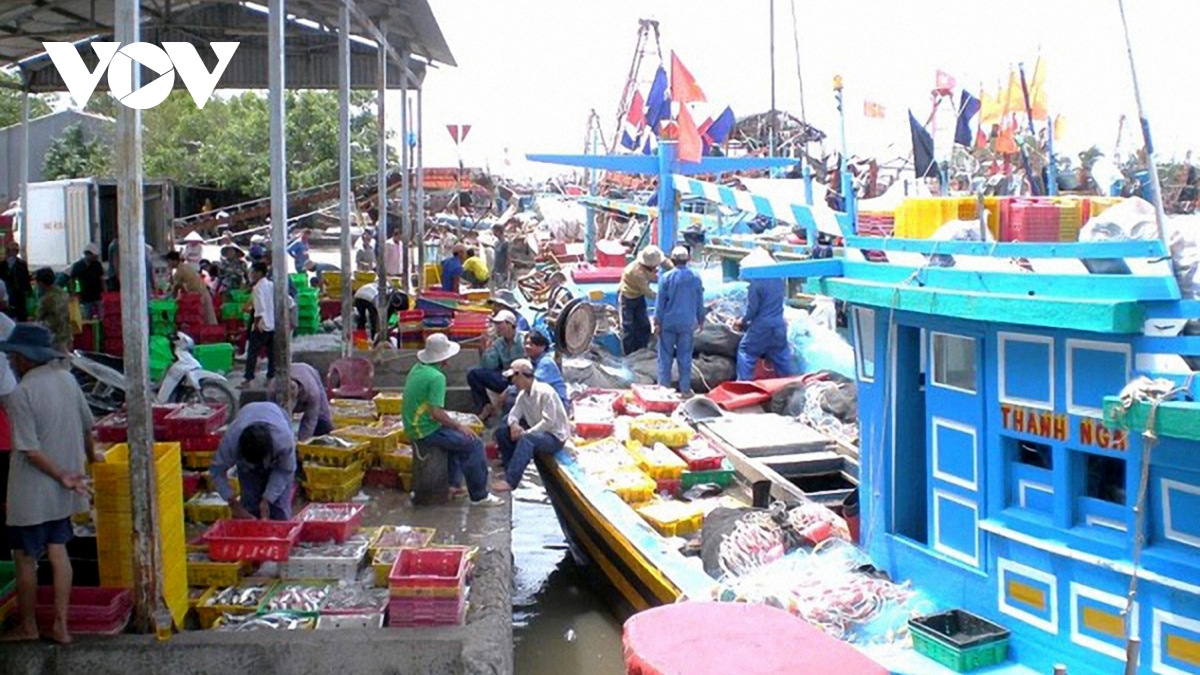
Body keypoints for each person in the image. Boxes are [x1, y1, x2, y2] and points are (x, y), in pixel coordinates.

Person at [1, 324, 97, 644]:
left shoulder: (21, 393)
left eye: (14, 355)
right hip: (63, 490)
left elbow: (29, 449)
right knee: (59, 552)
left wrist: (61, 475)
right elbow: (87, 427)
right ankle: (61, 625)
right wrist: (90, 460)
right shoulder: (67, 380)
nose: (12, 361)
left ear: (26, 358)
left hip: (32, 491)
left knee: (25, 558)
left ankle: (29, 626)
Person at [401, 334, 501, 506]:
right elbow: (436, 412)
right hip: (425, 429)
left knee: (456, 441)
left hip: (414, 424)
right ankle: (480, 495)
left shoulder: (417, 369)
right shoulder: (437, 378)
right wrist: (459, 426)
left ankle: (454, 485)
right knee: (474, 443)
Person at [491, 358, 569, 492]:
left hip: (554, 437)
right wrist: (514, 425)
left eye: (513, 378)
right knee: (502, 432)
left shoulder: (545, 392)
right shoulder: (522, 395)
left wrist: (527, 433)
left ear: (520, 375)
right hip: (538, 434)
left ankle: (511, 481)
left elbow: (548, 421)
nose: (512, 382)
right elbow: (513, 414)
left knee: (527, 439)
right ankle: (510, 469)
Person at [209, 402, 297, 520]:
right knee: (249, 506)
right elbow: (216, 471)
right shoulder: (231, 443)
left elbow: (285, 470)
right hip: (247, 415)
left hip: (275, 414)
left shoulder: (284, 443)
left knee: (279, 509)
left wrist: (267, 499)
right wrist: (233, 503)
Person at [735, 248, 795, 380]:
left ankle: (744, 385)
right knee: (780, 355)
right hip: (779, 325)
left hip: (762, 326)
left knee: (746, 351)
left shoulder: (756, 283)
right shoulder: (779, 280)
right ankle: (792, 383)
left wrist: (742, 321)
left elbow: (752, 309)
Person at [655, 246, 705, 395]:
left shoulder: (666, 278)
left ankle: (663, 388)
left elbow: (660, 303)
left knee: (665, 357)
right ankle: (685, 389)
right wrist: (701, 320)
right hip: (687, 323)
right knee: (685, 357)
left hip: (668, 323)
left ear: (672, 259)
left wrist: (657, 322)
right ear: (688, 259)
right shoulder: (695, 277)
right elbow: (699, 302)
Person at [468, 309, 526, 418]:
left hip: (522, 378)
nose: (498, 327)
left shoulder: (523, 340)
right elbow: (489, 365)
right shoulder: (499, 342)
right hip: (506, 377)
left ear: (510, 324)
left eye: (500, 324)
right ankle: (485, 406)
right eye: (496, 324)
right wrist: (486, 349)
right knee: (473, 373)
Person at [619, 245, 665, 355]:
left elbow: (665, 264)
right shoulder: (637, 273)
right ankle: (630, 354)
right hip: (628, 298)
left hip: (638, 297)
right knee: (628, 327)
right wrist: (665, 297)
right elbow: (648, 292)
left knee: (644, 325)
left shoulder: (646, 267)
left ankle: (643, 349)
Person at [269, 362, 332, 441]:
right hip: (291, 374)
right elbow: (273, 416)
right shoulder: (273, 388)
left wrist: (302, 442)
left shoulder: (312, 393)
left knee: (322, 416)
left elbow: (310, 420)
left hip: (308, 372)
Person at [243, 262, 276, 386]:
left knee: (252, 353)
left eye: (252, 272)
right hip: (272, 323)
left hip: (261, 324)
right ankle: (270, 377)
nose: (251, 275)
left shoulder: (257, 288)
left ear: (258, 273)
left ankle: (248, 379)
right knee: (271, 353)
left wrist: (255, 324)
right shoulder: (271, 285)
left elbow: (259, 309)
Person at [165, 251, 218, 325]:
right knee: (209, 317)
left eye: (169, 261)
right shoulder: (186, 266)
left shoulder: (180, 271)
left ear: (174, 261)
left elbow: (175, 287)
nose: (168, 264)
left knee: (203, 318)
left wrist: (168, 298)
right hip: (202, 291)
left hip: (197, 295)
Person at [34, 268, 72, 354]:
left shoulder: (47, 299)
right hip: (67, 334)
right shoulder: (63, 293)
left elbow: (39, 317)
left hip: (53, 337)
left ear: (40, 283)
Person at [69, 243, 105, 320]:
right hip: (85, 296)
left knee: (101, 317)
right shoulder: (78, 266)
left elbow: (101, 278)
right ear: (87, 254)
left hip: (97, 295)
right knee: (86, 317)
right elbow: (73, 280)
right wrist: (75, 292)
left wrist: (105, 291)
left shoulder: (97, 265)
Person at [0, 241, 31, 322]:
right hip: (7, 291)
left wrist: (28, 290)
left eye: (15, 250)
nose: (13, 252)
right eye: (11, 250)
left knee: (21, 313)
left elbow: (26, 278)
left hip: (19, 292)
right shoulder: (2, 264)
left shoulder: (22, 263)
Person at [491, 223, 510, 288]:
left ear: (498, 232)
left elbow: (508, 257)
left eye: (494, 231)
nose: (493, 233)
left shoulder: (505, 243)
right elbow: (495, 257)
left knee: (501, 286)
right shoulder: (496, 243)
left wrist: (507, 270)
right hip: (496, 268)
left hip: (503, 269)